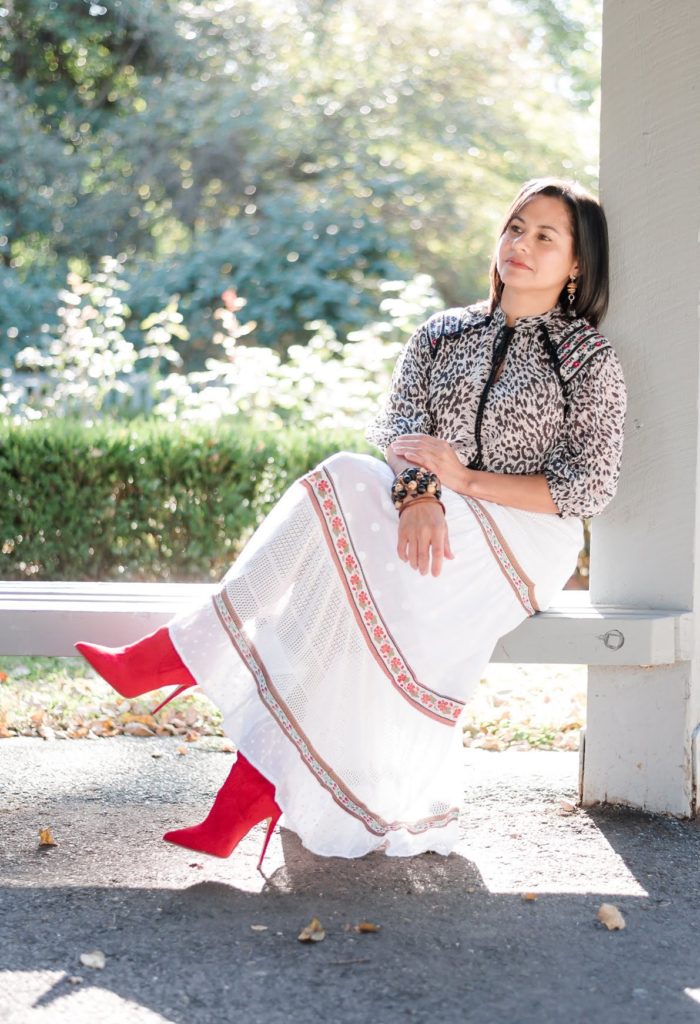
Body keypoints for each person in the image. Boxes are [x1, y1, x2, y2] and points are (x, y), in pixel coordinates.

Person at [76, 177, 626, 869]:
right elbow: (398, 428)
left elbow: (590, 486)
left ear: (576, 263)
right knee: (336, 543)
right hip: (428, 513)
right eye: (515, 227)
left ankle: (186, 670)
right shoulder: (443, 333)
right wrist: (422, 493)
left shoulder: (585, 358)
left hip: (525, 533)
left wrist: (463, 482)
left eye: (546, 236)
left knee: (337, 508)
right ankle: (243, 792)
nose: (522, 244)